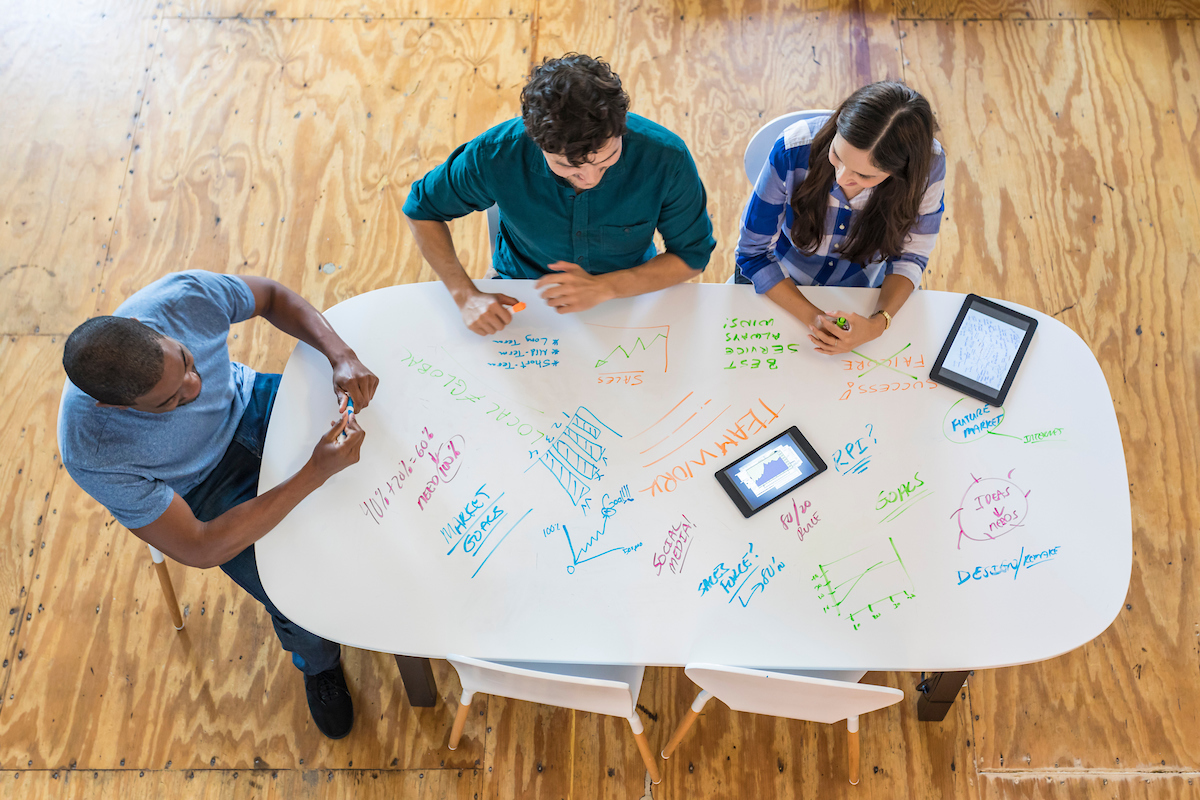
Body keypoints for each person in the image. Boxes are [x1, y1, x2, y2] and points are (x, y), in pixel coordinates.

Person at [59, 270, 379, 740]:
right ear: (112, 408)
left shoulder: (181, 298)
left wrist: (341, 354)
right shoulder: (90, 449)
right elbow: (202, 546)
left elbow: (271, 295)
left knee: (384, 463)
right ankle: (319, 662)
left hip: (254, 402)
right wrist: (314, 473)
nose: (195, 386)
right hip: (203, 488)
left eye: (187, 361)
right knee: (288, 589)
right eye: (170, 400)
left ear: (159, 329)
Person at [403, 53, 717, 336]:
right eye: (569, 168)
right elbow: (421, 210)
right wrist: (464, 294)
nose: (590, 179)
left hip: (631, 288)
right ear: (536, 141)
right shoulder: (494, 155)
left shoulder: (666, 157)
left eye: (606, 162)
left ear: (621, 128)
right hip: (522, 290)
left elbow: (691, 256)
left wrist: (604, 287)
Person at [735, 81, 945, 355]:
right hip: (779, 279)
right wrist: (814, 318)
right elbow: (753, 253)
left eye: (865, 176)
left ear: (901, 172)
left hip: (859, 289)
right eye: (837, 155)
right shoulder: (792, 149)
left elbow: (911, 257)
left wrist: (878, 324)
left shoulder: (928, 168)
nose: (842, 177)